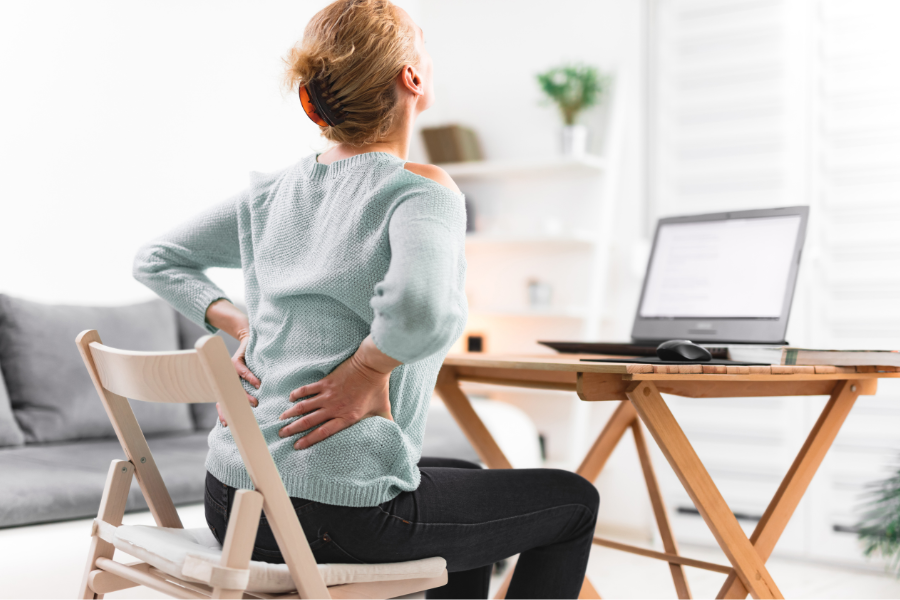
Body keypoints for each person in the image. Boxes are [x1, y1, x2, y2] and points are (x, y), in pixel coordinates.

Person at [132, 1, 599, 597]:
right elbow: (422, 311)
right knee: (575, 501)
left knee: (467, 481)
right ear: (413, 78)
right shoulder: (418, 189)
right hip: (332, 516)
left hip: (233, 501)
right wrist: (365, 369)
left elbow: (157, 258)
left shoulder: (274, 194)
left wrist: (243, 327)